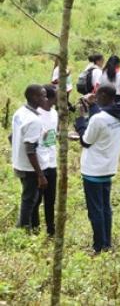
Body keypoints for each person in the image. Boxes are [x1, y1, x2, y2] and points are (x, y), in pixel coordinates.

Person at [78, 85, 120, 253]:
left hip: (93, 169)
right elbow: (102, 121)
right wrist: (93, 106)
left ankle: (99, 245)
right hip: (108, 167)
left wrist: (80, 120)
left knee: (95, 210)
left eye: (98, 95)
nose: (96, 97)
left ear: (105, 95)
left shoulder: (98, 119)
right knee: (105, 207)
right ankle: (106, 243)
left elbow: (86, 141)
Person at [11, 84, 47, 231]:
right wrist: (40, 175)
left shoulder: (20, 112)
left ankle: (28, 226)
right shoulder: (34, 120)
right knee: (29, 199)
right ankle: (23, 228)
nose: (45, 99)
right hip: (29, 168)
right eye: (43, 96)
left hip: (19, 163)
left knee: (29, 197)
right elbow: (30, 150)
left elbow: (11, 136)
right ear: (34, 97)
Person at [35, 85, 58, 237]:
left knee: (50, 199)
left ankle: (51, 229)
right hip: (38, 164)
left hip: (52, 162)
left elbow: (52, 136)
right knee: (36, 200)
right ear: (49, 98)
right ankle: (34, 230)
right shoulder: (36, 115)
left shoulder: (54, 113)